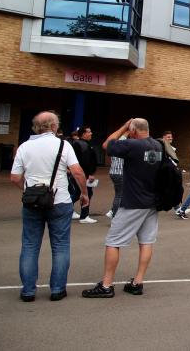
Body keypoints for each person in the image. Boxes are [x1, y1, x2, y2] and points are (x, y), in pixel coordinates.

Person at [11, 111, 89, 302]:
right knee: (60, 246)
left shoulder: (24, 147)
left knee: (29, 245)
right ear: (54, 126)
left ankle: (28, 291)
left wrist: (28, 190)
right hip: (59, 200)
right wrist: (84, 193)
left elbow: (15, 177)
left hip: (32, 202)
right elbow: (77, 172)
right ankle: (57, 289)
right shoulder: (63, 145)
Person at [83, 118, 162, 298]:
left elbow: (107, 145)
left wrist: (124, 128)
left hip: (132, 201)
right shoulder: (157, 146)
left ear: (134, 130)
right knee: (146, 242)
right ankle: (138, 282)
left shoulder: (133, 145)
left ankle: (106, 285)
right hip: (152, 202)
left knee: (113, 241)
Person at [72, 126, 98, 224]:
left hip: (80, 174)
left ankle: (66, 211)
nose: (91, 133)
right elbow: (85, 162)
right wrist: (89, 174)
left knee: (77, 193)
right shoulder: (83, 145)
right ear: (83, 134)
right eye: (89, 132)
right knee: (86, 193)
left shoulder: (79, 144)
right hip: (84, 175)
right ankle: (84, 216)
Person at [106, 137, 125, 220]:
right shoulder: (123, 150)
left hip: (113, 172)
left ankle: (112, 211)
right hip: (120, 173)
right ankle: (114, 214)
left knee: (119, 194)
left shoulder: (114, 149)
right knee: (119, 195)